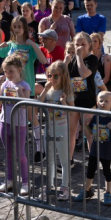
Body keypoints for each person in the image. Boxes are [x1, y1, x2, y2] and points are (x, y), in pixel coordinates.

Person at [37, 60, 74, 201]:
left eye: (55, 76)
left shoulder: (66, 91)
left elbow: (72, 111)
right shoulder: (48, 90)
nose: (52, 79)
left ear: (63, 76)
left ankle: (65, 188)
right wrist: (45, 89)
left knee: (64, 160)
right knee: (50, 159)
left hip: (62, 127)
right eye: (49, 75)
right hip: (48, 127)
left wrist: (64, 103)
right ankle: (49, 187)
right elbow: (39, 104)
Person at [73, 91, 111, 205]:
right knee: (90, 170)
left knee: (107, 171)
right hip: (94, 148)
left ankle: (108, 192)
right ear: (97, 102)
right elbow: (90, 134)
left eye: (106, 101)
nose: (103, 103)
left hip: (106, 150)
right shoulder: (95, 117)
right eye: (101, 101)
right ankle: (87, 190)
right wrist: (84, 125)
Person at [0, 55, 31, 196]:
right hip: (5, 122)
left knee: (20, 153)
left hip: (19, 124)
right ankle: (9, 180)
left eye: (11, 71)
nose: (8, 74)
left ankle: (25, 183)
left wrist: (20, 91)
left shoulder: (25, 85)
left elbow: (25, 105)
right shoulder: (5, 84)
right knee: (8, 153)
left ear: (19, 70)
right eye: (5, 71)